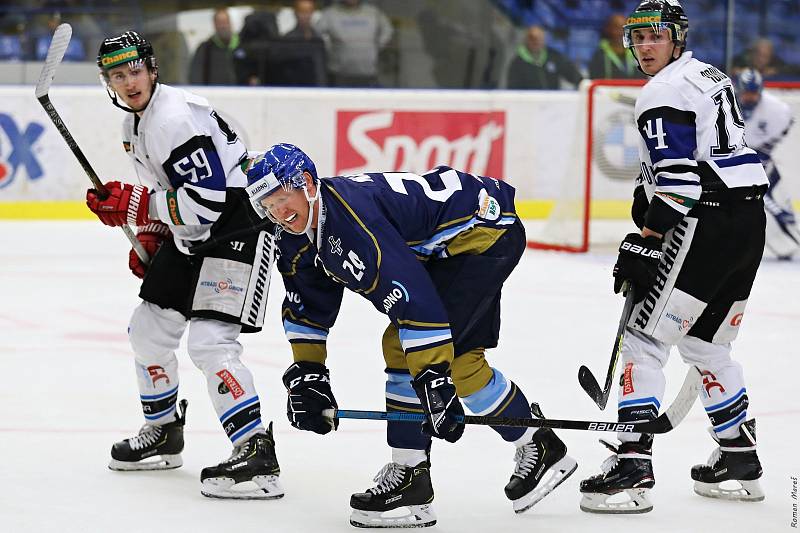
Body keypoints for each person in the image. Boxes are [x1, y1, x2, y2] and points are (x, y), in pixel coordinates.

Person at [244, 143, 577, 527]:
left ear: (306, 184)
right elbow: (307, 307)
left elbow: (413, 305)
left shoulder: (351, 226)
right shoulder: (297, 232)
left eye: (282, 200)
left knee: (404, 346)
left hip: (483, 235)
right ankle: (538, 444)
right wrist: (309, 372)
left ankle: (410, 478)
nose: (279, 214)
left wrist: (433, 380)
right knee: (464, 365)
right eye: (267, 207)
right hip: (453, 242)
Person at [579, 0, 768, 514]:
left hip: (705, 222)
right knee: (707, 342)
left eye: (654, 37)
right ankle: (738, 455)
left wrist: (646, 239)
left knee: (644, 337)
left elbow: (681, 183)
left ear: (676, 38)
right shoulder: (708, 75)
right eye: (636, 38)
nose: (643, 47)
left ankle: (632, 463)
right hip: (749, 222)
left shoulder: (661, 91)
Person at [85, 31, 282, 500]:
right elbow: (168, 193)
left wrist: (136, 206)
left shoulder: (173, 119)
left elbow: (208, 202)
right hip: (194, 230)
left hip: (239, 226)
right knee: (147, 332)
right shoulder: (134, 124)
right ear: (108, 83)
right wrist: (152, 234)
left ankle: (256, 454)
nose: (129, 82)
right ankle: (164, 431)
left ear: (152, 69)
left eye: (135, 70)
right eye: (118, 75)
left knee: (211, 344)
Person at [733, 68, 799, 259]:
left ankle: (788, 240)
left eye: (754, 93)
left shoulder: (776, 110)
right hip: (732, 163)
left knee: (775, 199)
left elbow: (787, 123)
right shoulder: (725, 104)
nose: (750, 97)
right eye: (747, 92)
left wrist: (764, 152)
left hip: (760, 159)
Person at [315, 0, 393, 87]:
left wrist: (375, 48)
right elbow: (316, 34)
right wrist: (329, 49)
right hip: (339, 75)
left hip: (368, 74)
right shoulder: (329, 14)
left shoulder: (373, 13)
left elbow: (387, 30)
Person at [506, 25, 583, 90]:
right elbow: (513, 88)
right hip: (529, 104)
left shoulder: (553, 57)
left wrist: (583, 83)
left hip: (551, 102)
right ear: (527, 40)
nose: (536, 42)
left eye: (539, 38)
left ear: (544, 39)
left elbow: (571, 72)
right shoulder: (517, 63)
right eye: (532, 38)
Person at [188, 8, 239, 85]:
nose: (223, 26)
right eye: (219, 23)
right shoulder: (205, 48)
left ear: (230, 23)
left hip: (241, 93)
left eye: (225, 22)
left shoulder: (242, 45)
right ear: (214, 25)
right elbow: (195, 75)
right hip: (213, 94)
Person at [588, 13, 642, 80]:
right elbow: (594, 80)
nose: (621, 32)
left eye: (624, 28)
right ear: (608, 29)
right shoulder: (599, 55)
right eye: (616, 27)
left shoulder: (637, 54)